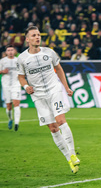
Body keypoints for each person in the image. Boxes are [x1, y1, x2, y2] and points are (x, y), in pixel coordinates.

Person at [17, 26, 80, 174]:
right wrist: (26, 86)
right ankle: (69, 160)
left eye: (38, 35)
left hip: (54, 90)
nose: (37, 37)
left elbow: (59, 69)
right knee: (53, 128)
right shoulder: (22, 59)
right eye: (33, 35)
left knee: (60, 120)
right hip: (38, 95)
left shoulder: (49, 52)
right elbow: (21, 76)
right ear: (27, 39)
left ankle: (73, 154)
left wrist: (66, 87)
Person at [0, 45, 21, 131]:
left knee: (16, 104)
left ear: (15, 51)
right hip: (6, 85)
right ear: (6, 52)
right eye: (8, 50)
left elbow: (23, 71)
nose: (10, 52)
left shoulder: (19, 61)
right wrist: (2, 71)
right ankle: (10, 119)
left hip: (16, 84)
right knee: (9, 106)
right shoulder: (2, 61)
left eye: (12, 50)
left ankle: (16, 123)